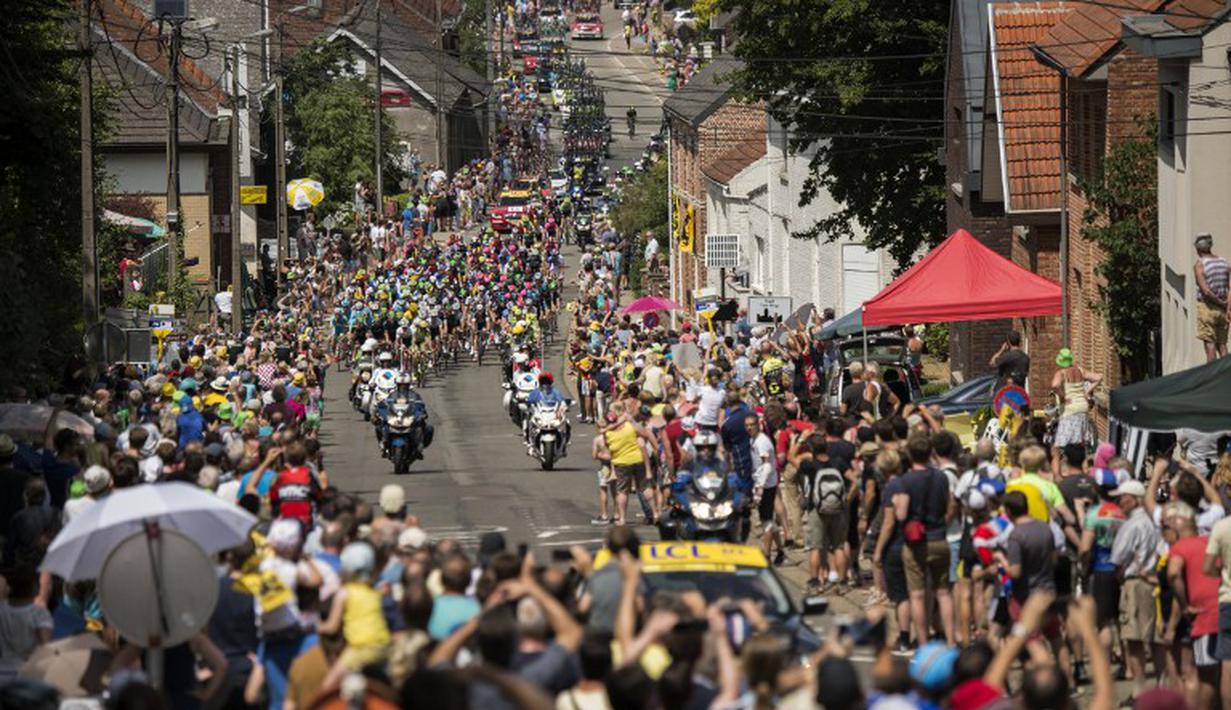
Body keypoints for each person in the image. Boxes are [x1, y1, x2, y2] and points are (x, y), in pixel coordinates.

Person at [893, 434, 956, 646]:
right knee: (944, 593)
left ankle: (922, 642)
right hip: (940, 538)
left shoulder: (906, 481)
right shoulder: (941, 477)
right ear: (931, 453)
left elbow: (901, 514)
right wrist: (942, 523)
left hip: (916, 542)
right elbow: (950, 506)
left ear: (910, 455)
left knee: (918, 595)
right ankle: (950, 640)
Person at [1109, 478, 1162, 699]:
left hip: (1135, 582)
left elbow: (1119, 557)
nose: (1120, 501)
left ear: (1136, 500)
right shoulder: (1149, 522)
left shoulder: (1133, 524)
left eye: (1124, 497)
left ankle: (1140, 691)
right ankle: (1160, 685)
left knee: (1135, 638)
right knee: (1153, 638)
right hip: (1150, 582)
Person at [1049, 348, 1101, 472]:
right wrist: (1086, 391)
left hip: (1070, 409)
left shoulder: (1061, 373)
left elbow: (1055, 385)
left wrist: (1062, 396)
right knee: (1078, 444)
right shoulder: (1080, 370)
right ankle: (1081, 470)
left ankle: (1061, 473)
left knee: (1059, 446)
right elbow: (1099, 377)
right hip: (1082, 407)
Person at [1193, 232, 1229, 361]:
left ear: (1197, 249)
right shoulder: (1224, 262)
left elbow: (1206, 291)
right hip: (1223, 311)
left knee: (1210, 345)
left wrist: (1219, 302)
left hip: (1207, 308)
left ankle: (1212, 377)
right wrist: (1227, 305)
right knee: (1223, 345)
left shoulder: (1200, 265)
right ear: (1210, 245)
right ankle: (1226, 375)